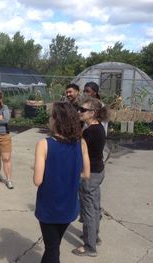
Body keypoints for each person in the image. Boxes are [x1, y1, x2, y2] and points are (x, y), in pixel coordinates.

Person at [33, 102, 90, 263]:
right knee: (53, 246)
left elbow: (37, 180)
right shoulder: (81, 143)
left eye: (51, 116)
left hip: (49, 208)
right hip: (70, 205)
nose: (49, 119)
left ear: (57, 120)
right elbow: (86, 174)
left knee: (52, 250)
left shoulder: (44, 144)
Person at [72, 97, 108, 257]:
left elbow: (79, 152)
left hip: (90, 175)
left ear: (93, 113)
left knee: (88, 210)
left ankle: (90, 247)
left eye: (83, 110)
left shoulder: (90, 132)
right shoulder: (98, 127)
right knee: (94, 206)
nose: (79, 111)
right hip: (98, 171)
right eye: (79, 109)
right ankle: (95, 236)